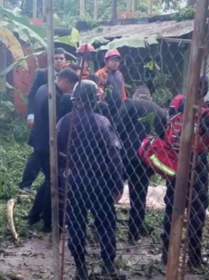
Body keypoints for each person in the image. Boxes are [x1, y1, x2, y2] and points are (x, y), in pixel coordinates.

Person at [56, 80, 126, 280]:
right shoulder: (102, 122)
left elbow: (57, 155)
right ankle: (107, 265)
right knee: (105, 222)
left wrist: (59, 183)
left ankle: (80, 268)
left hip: (74, 179)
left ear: (75, 100)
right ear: (96, 100)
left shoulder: (64, 122)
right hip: (100, 181)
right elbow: (114, 156)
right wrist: (118, 184)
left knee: (76, 222)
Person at [161, 76, 209, 268]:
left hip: (175, 157)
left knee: (172, 206)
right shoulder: (205, 112)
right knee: (197, 209)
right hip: (197, 160)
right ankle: (193, 257)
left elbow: (167, 124)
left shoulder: (177, 102)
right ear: (205, 90)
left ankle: (166, 254)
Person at [24, 68, 80, 231]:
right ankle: (49, 223)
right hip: (47, 144)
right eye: (71, 88)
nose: (70, 92)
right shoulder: (55, 98)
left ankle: (34, 216)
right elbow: (56, 124)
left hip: (39, 141)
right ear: (66, 82)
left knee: (49, 181)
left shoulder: (44, 87)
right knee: (53, 183)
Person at [116, 95, 167, 243]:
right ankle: (134, 233)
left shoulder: (130, 104)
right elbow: (164, 137)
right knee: (139, 196)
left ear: (136, 95)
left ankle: (102, 224)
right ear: (150, 97)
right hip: (146, 158)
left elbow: (118, 127)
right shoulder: (160, 112)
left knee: (113, 188)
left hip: (126, 155)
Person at [19, 47, 67, 192]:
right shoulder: (42, 73)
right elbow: (33, 94)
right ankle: (26, 183)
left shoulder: (67, 75)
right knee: (39, 151)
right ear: (50, 60)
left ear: (65, 61)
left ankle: (51, 184)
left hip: (58, 120)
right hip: (42, 118)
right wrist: (31, 114)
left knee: (47, 153)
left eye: (61, 58)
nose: (58, 61)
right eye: (56, 58)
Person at [96, 49, 127, 124]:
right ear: (106, 61)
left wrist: (124, 101)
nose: (116, 63)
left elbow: (122, 91)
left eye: (117, 61)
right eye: (113, 60)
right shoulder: (101, 73)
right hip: (106, 107)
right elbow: (97, 90)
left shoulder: (119, 74)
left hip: (119, 107)